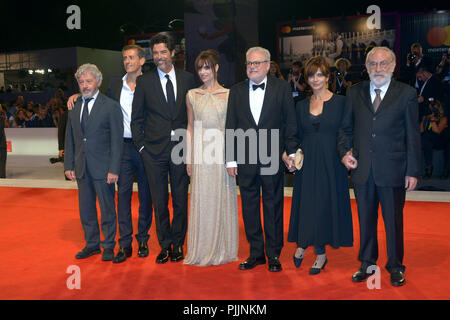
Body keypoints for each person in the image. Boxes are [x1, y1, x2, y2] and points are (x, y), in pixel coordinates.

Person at [338, 47, 421, 286]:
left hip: (394, 169)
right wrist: (345, 153)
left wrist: (413, 170)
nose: (378, 68)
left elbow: (412, 136)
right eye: (373, 64)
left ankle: (395, 265)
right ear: (366, 67)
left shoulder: (406, 94)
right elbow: (345, 129)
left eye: (383, 63)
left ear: (393, 66)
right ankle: (367, 263)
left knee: (393, 221)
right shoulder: (354, 93)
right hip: (363, 169)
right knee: (365, 219)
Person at [67, 45, 154, 264]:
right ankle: (120, 244)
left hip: (144, 147)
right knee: (119, 199)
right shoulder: (115, 85)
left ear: (142, 60)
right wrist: (79, 94)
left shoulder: (151, 83)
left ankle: (142, 239)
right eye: (124, 57)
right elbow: (72, 135)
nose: (127, 61)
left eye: (131, 57)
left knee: (145, 197)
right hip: (118, 151)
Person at [225, 46, 298, 272]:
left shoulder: (282, 88)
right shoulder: (235, 91)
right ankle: (256, 253)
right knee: (249, 206)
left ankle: (273, 253)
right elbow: (231, 125)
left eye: (257, 63)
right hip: (245, 158)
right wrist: (230, 159)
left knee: (273, 204)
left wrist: (292, 152)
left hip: (271, 156)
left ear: (268, 65)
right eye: (249, 63)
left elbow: (290, 123)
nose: (253, 67)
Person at [131, 33, 196, 264]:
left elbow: (195, 114)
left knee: (180, 199)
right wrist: (141, 148)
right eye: (155, 53)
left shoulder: (188, 79)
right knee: (159, 201)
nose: (159, 57)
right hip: (153, 152)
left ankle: (178, 244)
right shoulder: (145, 81)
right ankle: (165, 245)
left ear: (172, 52)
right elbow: (136, 118)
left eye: (163, 52)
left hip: (180, 148)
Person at [286, 56, 353, 275]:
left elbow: (346, 133)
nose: (315, 79)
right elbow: (293, 135)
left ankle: (321, 253)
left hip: (332, 163)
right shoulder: (300, 105)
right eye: (311, 75)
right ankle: (303, 243)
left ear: (327, 77)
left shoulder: (342, 103)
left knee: (325, 205)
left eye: (320, 74)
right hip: (307, 163)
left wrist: (348, 154)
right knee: (307, 204)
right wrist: (290, 156)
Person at [183, 49, 239, 266]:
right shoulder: (191, 95)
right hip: (200, 153)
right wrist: (189, 157)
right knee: (202, 198)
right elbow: (189, 126)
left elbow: (233, 127)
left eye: (207, 67)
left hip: (221, 152)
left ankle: (222, 247)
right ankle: (202, 247)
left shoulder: (228, 94)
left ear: (216, 68)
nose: (203, 72)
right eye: (199, 68)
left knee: (222, 196)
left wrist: (232, 157)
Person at [64, 63, 124, 262]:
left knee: (107, 210)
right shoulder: (75, 106)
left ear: (98, 82)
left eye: (88, 81)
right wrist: (69, 165)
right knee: (86, 210)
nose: (85, 85)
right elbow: (70, 138)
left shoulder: (111, 106)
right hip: (82, 168)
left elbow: (117, 140)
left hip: (103, 168)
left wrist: (114, 168)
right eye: (81, 82)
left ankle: (108, 246)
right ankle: (92, 245)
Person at [420, 99, 448, 179]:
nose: (432, 111)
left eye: (434, 109)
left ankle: (429, 167)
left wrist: (432, 119)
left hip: (438, 140)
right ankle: (428, 167)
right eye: (430, 109)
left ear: (439, 109)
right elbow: (421, 130)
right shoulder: (427, 117)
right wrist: (424, 119)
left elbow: (437, 131)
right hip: (427, 140)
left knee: (426, 138)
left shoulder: (443, 118)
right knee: (425, 137)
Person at [0, 109, 6, 178]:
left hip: (1, 145)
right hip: (2, 145)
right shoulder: (1, 119)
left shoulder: (1, 119)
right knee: (1, 164)